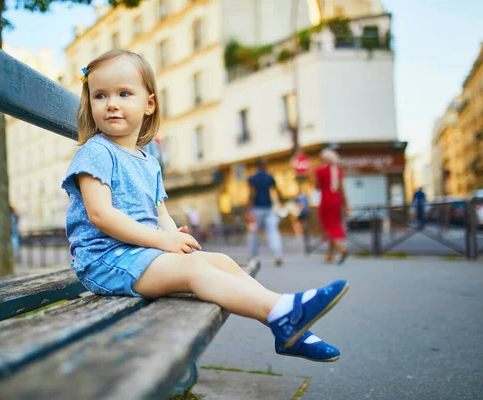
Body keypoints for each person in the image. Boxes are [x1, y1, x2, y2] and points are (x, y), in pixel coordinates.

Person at [61, 49, 348, 362]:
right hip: (104, 261)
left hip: (138, 255)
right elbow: (100, 214)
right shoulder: (96, 152)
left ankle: (287, 326)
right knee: (196, 270)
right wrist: (161, 240)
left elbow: (161, 215)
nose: (112, 103)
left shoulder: (148, 161)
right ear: (90, 103)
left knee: (221, 261)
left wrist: (172, 239)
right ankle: (284, 312)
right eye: (100, 95)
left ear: (149, 104)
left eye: (124, 93)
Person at [247, 158, 285, 266]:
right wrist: (282, 202)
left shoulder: (252, 178)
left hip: (256, 209)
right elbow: (277, 191)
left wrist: (249, 209)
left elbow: (251, 194)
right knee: (273, 232)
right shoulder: (270, 177)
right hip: (269, 208)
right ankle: (278, 254)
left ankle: (254, 256)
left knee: (254, 233)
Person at [315, 148, 349, 265]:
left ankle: (341, 249)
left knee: (327, 226)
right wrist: (347, 205)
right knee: (334, 224)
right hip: (337, 200)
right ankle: (329, 255)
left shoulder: (320, 170)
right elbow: (342, 189)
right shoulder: (338, 171)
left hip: (326, 200)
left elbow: (317, 186)